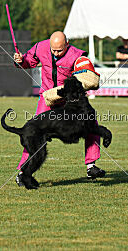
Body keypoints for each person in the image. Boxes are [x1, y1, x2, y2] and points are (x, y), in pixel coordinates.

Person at [13, 31, 105, 186]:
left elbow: (86, 76)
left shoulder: (77, 55)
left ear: (67, 44)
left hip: (68, 100)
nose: (55, 53)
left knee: (91, 124)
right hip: (47, 97)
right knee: (33, 132)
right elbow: (29, 61)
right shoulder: (40, 47)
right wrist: (20, 61)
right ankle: (22, 173)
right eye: (53, 50)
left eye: (59, 51)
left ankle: (91, 166)